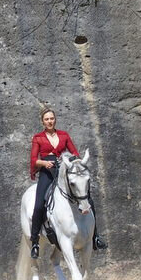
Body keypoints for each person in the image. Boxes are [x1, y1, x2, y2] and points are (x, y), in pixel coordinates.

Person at [29, 107, 107, 258]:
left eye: (52, 118)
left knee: (88, 198)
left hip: (63, 172)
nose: (50, 121)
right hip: (47, 172)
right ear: (42, 121)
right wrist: (44, 163)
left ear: (55, 119)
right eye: (47, 119)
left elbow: (75, 153)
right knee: (38, 204)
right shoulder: (38, 138)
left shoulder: (64, 135)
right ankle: (35, 242)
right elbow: (33, 160)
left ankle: (95, 237)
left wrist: (70, 162)